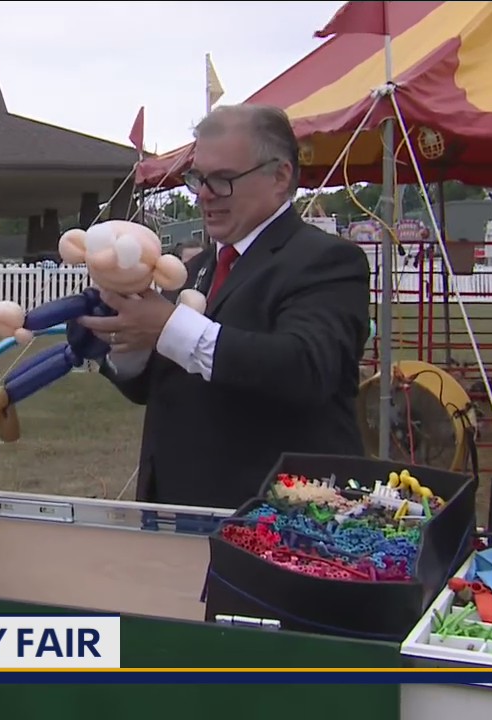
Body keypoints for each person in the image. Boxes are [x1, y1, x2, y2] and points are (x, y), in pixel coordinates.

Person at [77, 104, 372, 510]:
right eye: (198, 178)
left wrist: (168, 328)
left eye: (223, 180)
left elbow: (307, 368)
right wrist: (126, 340)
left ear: (280, 176)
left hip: (279, 523)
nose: (203, 194)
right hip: (177, 512)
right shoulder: (194, 268)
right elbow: (158, 388)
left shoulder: (326, 260)